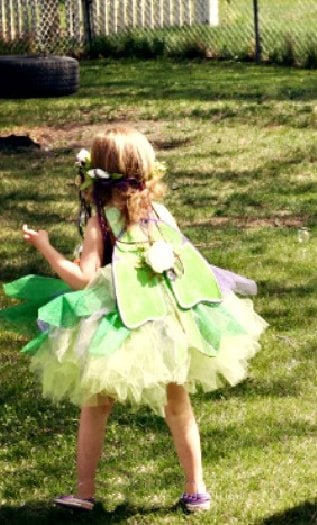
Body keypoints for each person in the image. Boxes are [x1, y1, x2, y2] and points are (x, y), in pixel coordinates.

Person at [0, 126, 267, 513]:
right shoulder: (160, 214)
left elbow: (84, 280)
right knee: (178, 404)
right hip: (166, 323)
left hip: (116, 325)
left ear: (95, 174)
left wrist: (45, 248)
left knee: (96, 405)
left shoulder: (100, 223)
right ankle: (196, 491)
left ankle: (84, 492)